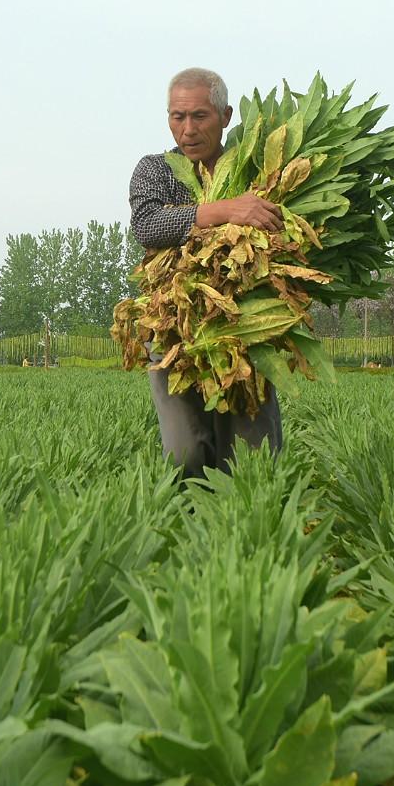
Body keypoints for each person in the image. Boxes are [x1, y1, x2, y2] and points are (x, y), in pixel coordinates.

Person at [128, 67, 285, 479]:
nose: (188, 129)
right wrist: (226, 209)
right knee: (186, 454)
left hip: (243, 328)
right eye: (177, 117)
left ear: (226, 115)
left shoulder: (254, 169)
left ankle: (250, 534)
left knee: (253, 459)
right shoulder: (155, 171)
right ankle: (188, 534)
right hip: (172, 329)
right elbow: (147, 224)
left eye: (200, 116)